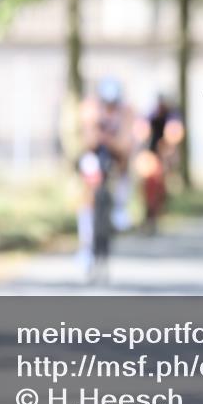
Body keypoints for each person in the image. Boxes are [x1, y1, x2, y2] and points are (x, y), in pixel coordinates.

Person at [76, 77, 136, 281]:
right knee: (88, 191)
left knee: (127, 163)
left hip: (116, 159)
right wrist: (97, 131)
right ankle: (85, 247)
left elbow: (125, 145)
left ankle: (121, 205)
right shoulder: (90, 107)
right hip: (94, 156)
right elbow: (89, 140)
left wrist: (109, 140)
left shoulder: (126, 111)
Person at [136, 95, 185, 233]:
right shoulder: (150, 116)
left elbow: (174, 135)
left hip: (163, 154)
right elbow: (141, 132)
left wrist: (168, 152)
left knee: (158, 184)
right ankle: (149, 214)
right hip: (151, 153)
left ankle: (154, 213)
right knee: (148, 182)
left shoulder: (172, 116)